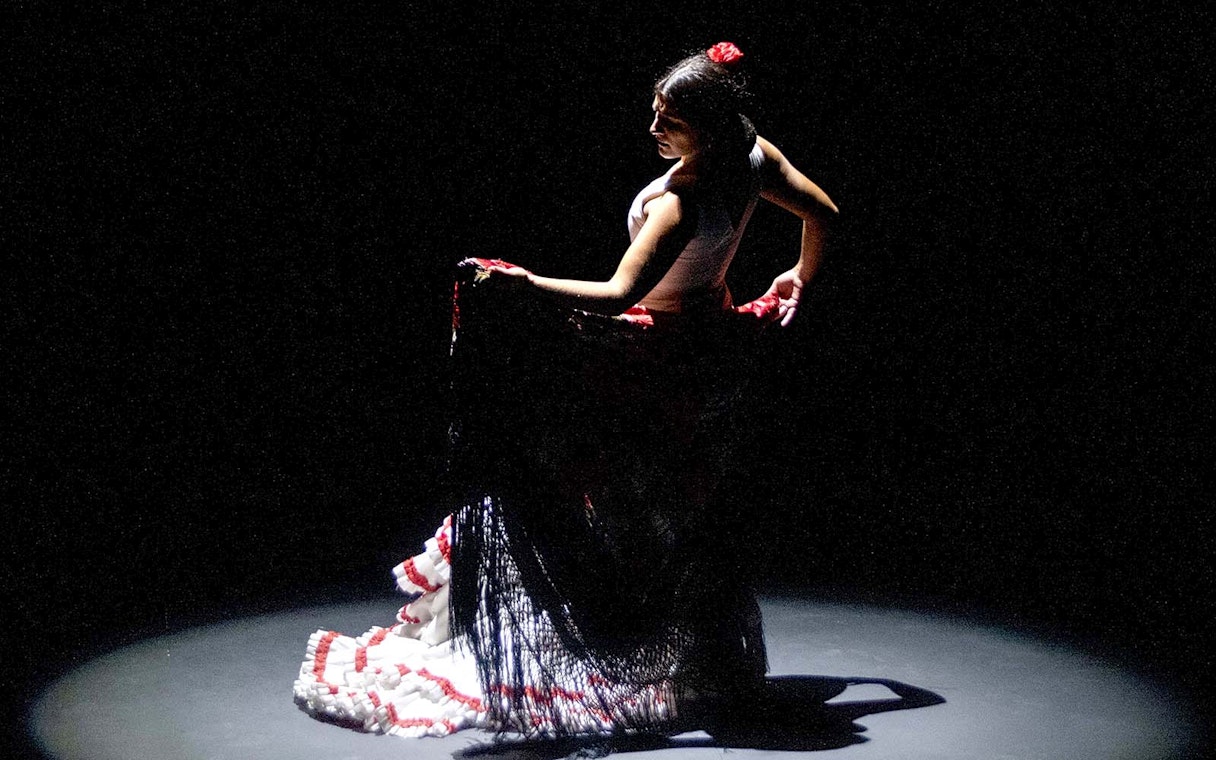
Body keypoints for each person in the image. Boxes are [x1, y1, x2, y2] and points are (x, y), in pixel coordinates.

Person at [293, 41, 837, 742]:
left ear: (703, 127)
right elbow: (825, 213)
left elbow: (617, 295)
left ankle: (597, 649)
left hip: (648, 358)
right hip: (704, 346)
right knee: (655, 508)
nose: (652, 130)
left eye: (667, 120)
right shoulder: (751, 153)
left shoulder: (682, 203)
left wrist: (524, 284)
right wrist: (800, 275)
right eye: (654, 112)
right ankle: (662, 648)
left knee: (580, 496)